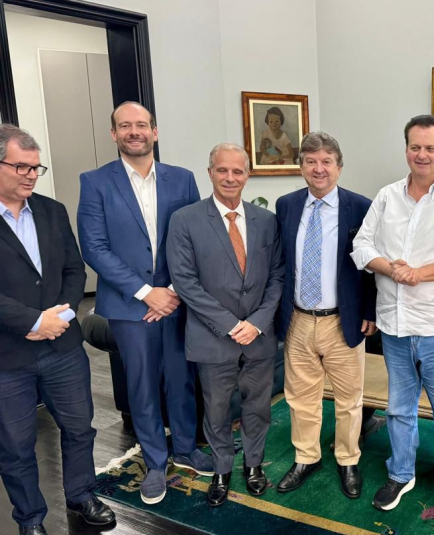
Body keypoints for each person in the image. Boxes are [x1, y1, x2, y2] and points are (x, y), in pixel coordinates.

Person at [78, 101, 211, 505]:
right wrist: (145, 292)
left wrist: (171, 290)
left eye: (141, 125)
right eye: (125, 126)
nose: (133, 131)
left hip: (176, 300)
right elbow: (95, 248)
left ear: (155, 131)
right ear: (114, 134)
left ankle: (185, 449)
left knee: (181, 379)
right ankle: (154, 462)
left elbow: (192, 238)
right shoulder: (95, 182)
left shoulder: (182, 179)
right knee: (142, 385)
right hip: (128, 306)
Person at [352, 115, 434, 523]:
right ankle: (401, 473)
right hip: (394, 325)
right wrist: (391, 269)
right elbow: (361, 245)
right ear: (406, 149)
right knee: (398, 408)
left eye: (430, 148)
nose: (421, 154)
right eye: (415, 147)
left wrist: (418, 273)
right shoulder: (387, 196)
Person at [0, 124, 115, 535]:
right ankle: (30, 519)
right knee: (15, 446)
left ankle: (82, 495)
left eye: (36, 167)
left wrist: (59, 318)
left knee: (80, 428)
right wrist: (33, 322)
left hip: (63, 347)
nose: (31, 175)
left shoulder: (51, 210)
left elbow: (73, 269)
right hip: (8, 356)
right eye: (21, 167)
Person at [167, 143, 283, 507]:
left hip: (259, 337)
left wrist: (258, 323)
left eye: (237, 171)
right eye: (222, 170)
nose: (230, 177)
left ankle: (253, 464)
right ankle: (221, 469)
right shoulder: (185, 219)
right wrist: (232, 325)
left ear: (247, 175)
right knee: (216, 410)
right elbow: (185, 281)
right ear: (210, 173)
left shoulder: (266, 221)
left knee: (258, 407)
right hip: (212, 337)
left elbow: (278, 276)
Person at [274, 131, 376, 499]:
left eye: (326, 162)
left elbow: (371, 266)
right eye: (311, 161)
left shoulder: (361, 207)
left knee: (349, 399)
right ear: (301, 166)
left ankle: (348, 459)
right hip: (299, 318)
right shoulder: (286, 205)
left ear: (339, 167)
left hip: (342, 319)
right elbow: (280, 262)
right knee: (301, 397)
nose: (319, 169)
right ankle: (307, 457)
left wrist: (370, 310)